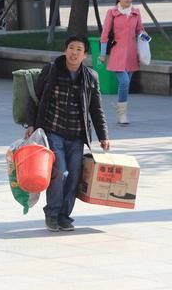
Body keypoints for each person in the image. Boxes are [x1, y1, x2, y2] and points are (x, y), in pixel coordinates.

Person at [26, 34, 110, 232]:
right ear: (65, 50)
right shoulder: (52, 70)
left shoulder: (90, 77)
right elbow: (34, 98)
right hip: (53, 130)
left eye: (79, 49)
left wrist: (103, 135)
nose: (74, 53)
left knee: (73, 175)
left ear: (85, 55)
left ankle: (65, 216)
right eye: (71, 48)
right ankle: (52, 213)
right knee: (60, 171)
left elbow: (96, 110)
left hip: (77, 135)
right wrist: (31, 124)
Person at [99, 0, 145, 125]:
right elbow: (105, 33)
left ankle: (121, 108)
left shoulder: (136, 12)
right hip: (117, 52)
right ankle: (122, 114)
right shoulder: (112, 13)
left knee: (126, 83)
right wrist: (102, 53)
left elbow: (140, 30)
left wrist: (145, 38)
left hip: (131, 53)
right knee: (124, 82)